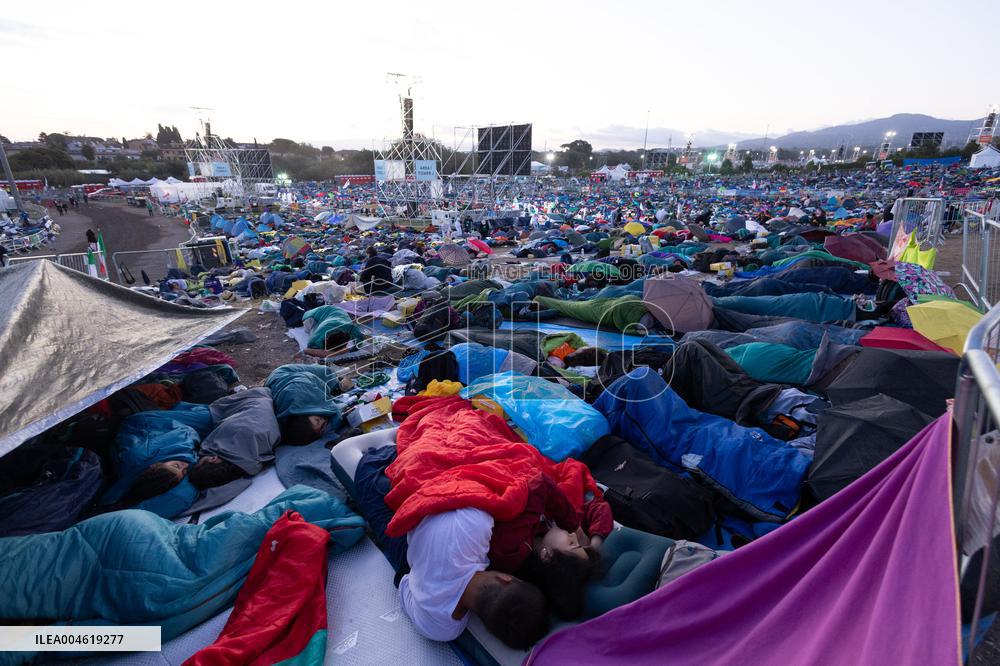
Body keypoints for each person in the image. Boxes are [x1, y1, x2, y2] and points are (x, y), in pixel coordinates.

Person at [400, 507, 550, 649]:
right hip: (406, 539)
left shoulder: (477, 524)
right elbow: (404, 583)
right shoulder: (442, 628)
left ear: (505, 578)